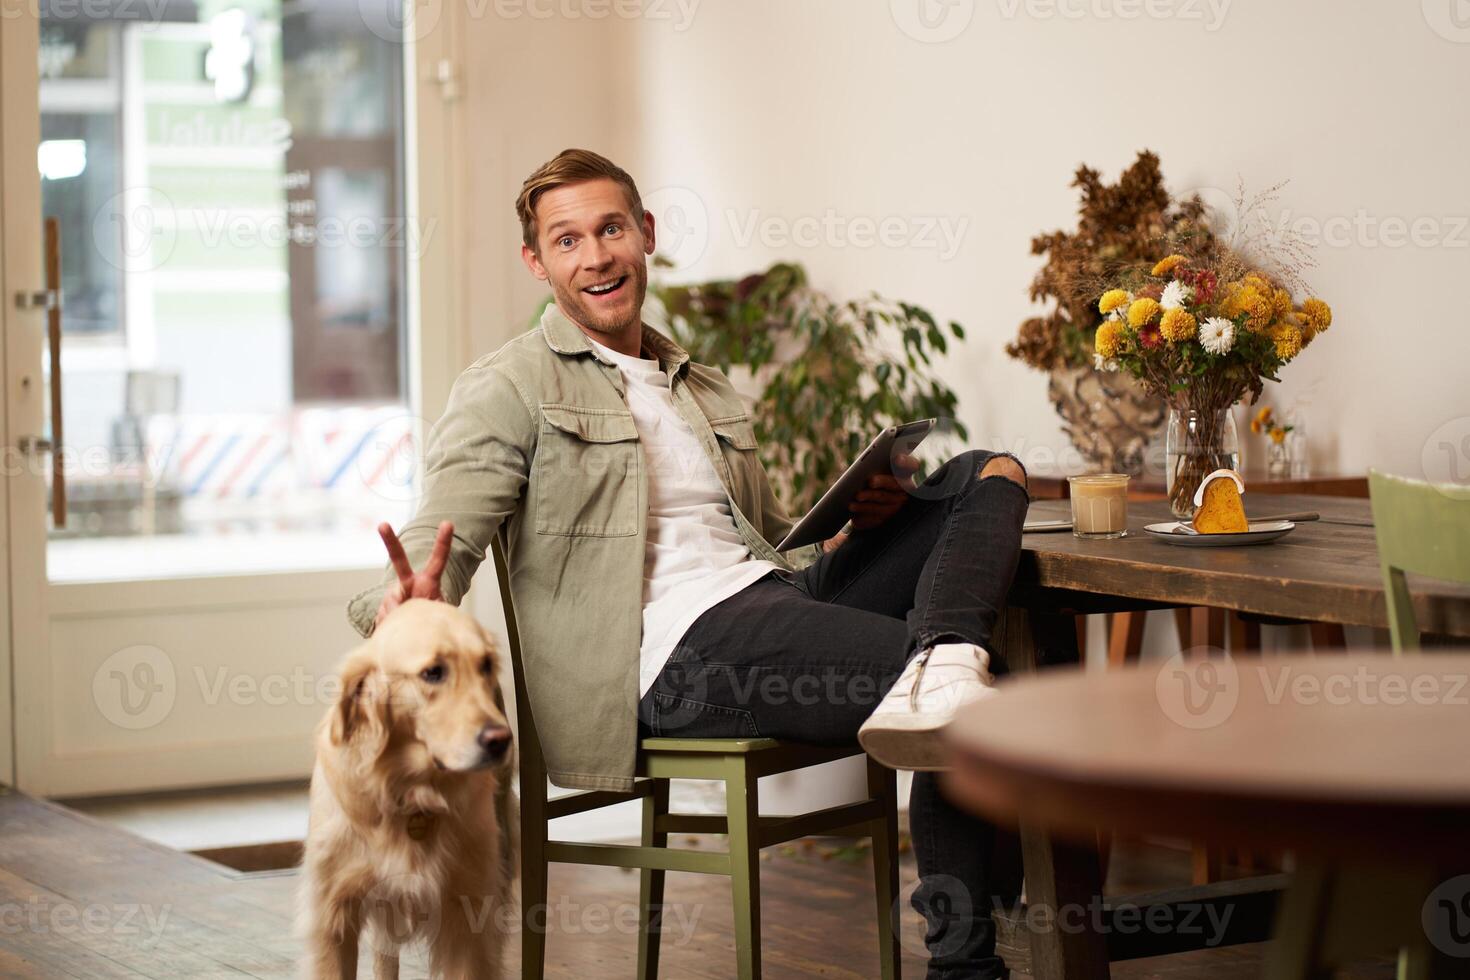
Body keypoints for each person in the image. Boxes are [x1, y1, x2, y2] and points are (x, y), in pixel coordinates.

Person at [347, 148, 1030, 978]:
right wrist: (410, 601)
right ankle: (967, 965)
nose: (595, 255)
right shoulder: (510, 386)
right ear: (537, 262)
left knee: (983, 476)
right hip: (672, 657)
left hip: (769, 594)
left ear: (646, 234)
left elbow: (764, 538)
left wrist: (852, 526)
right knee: (956, 696)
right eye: (567, 241)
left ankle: (947, 656)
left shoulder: (698, 384)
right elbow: (443, 530)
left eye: (611, 229)